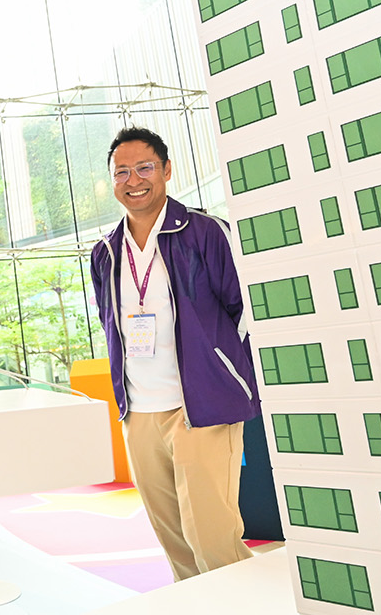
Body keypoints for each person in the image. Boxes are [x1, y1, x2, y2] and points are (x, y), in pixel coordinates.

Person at [91, 126, 259, 581]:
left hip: (200, 406)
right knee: (176, 544)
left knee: (213, 539)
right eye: (121, 171)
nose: (134, 179)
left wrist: (226, 378)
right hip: (139, 411)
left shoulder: (205, 232)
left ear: (166, 170)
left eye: (144, 167)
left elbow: (245, 312)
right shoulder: (105, 251)